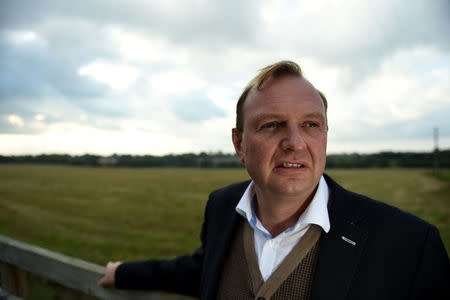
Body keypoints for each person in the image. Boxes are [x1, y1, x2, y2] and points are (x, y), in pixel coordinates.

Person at [98, 60, 450, 299]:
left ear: (325, 135)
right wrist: (124, 272)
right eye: (272, 125)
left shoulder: (410, 244)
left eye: (311, 125)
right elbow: (201, 270)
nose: (295, 142)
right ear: (239, 143)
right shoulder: (223, 207)